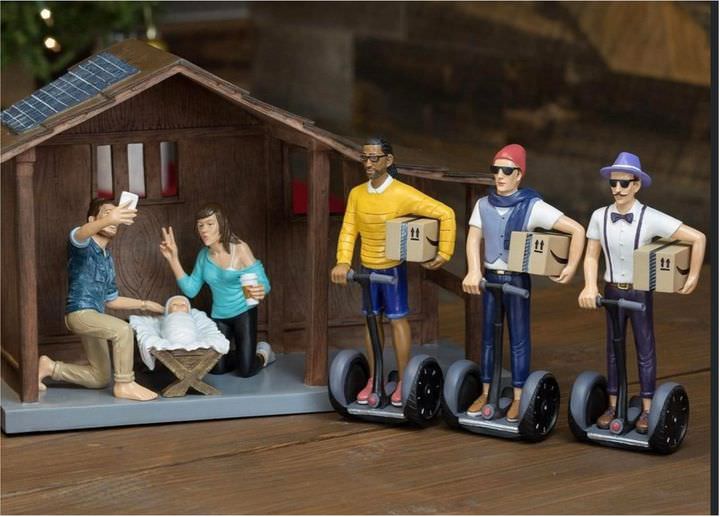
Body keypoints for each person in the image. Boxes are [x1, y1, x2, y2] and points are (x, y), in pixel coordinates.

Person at [578, 151, 705, 433]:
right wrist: (590, 285)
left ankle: (648, 408)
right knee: (613, 349)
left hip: (639, 293)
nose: (618, 189)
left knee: (644, 349)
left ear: (636, 185)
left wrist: (693, 275)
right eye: (614, 183)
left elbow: (698, 238)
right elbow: (591, 256)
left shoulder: (650, 218)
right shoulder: (599, 216)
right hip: (611, 291)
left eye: (624, 183)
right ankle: (613, 405)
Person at [462, 144, 585, 422]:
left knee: (518, 338)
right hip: (490, 278)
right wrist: (474, 271)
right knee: (488, 338)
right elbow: (473, 239)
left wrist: (569, 266)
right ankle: (486, 391)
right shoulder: (483, 205)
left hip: (516, 280)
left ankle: (519, 396)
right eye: (496, 170)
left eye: (507, 171)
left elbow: (576, 230)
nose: (500, 176)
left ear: (519, 174)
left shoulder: (532, 206)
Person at [330, 137, 456, 406]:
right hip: (366, 269)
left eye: (374, 158)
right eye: (364, 158)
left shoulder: (401, 193)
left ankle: (403, 379)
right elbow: (349, 230)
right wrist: (343, 261)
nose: (368, 163)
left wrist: (443, 252)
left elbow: (445, 213)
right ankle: (373, 378)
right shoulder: (357, 194)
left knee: (398, 320)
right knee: (371, 320)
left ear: (388, 160)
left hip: (392, 271)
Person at [37, 198, 164, 401]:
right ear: (92, 219)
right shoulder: (83, 245)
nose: (113, 219)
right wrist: (110, 218)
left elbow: (111, 300)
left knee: (100, 377)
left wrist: (145, 304)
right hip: (80, 313)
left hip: (95, 317)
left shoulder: (107, 259)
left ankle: (50, 367)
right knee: (123, 330)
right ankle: (125, 384)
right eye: (106, 213)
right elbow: (79, 234)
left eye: (115, 216)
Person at [159, 203, 274, 377]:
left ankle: (263, 353)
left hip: (244, 312)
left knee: (246, 371)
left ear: (221, 224)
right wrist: (173, 259)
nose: (204, 230)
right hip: (219, 315)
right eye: (200, 225)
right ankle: (244, 356)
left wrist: (261, 289)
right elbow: (191, 290)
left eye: (210, 224)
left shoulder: (240, 249)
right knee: (216, 369)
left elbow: (263, 282)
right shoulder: (203, 256)